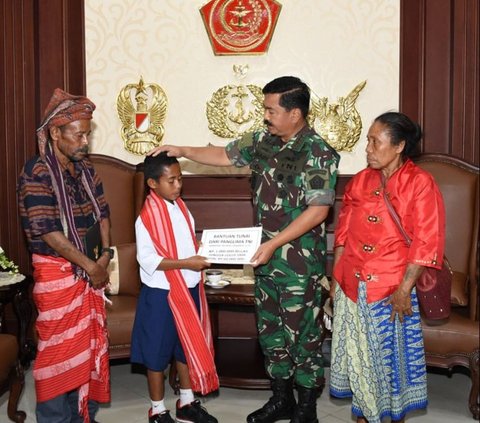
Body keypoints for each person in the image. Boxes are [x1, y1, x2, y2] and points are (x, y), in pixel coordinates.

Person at [150, 76, 340, 423]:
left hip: (297, 266)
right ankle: (281, 399)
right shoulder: (264, 141)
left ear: (295, 113)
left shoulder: (318, 152)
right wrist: (182, 150)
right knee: (271, 333)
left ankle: (306, 409)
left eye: (272, 109)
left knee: (304, 338)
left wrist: (273, 244)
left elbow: (319, 211)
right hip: (264, 261)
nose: (265, 115)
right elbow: (224, 154)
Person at [329, 112, 446, 423]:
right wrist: (335, 279)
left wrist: (404, 290)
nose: (367, 148)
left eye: (374, 142)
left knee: (388, 365)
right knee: (358, 363)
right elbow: (342, 233)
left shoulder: (420, 183)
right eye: (368, 140)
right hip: (351, 285)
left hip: (391, 288)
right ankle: (363, 418)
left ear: (398, 146)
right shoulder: (360, 180)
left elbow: (426, 241)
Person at [17, 88, 112, 423]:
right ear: (56, 133)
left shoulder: (86, 170)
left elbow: (103, 215)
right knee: (59, 353)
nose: (84, 142)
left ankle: (83, 414)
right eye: (79, 134)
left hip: (92, 270)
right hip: (58, 276)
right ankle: (56, 419)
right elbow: (48, 233)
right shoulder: (36, 173)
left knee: (88, 347)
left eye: (87, 134)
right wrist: (88, 265)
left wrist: (103, 257)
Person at [131, 153, 219, 423]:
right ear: (153, 184)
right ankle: (157, 410)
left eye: (180, 179)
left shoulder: (181, 208)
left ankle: (187, 401)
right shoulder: (146, 219)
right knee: (157, 354)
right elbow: (148, 260)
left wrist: (203, 250)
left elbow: (187, 243)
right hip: (162, 294)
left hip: (189, 288)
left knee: (186, 346)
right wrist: (186, 262)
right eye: (171, 181)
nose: (178, 185)